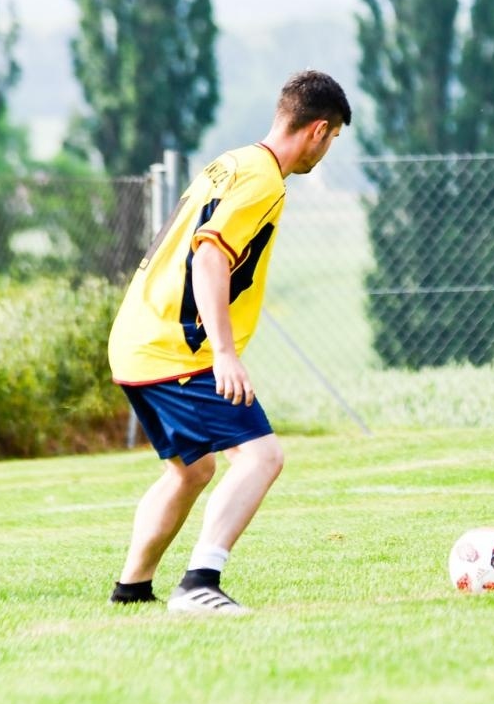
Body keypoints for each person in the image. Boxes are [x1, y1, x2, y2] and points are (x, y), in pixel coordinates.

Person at [106, 70, 352, 614]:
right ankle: (199, 584)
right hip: (177, 347)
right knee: (262, 456)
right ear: (317, 130)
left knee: (192, 469)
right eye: (333, 138)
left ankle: (131, 588)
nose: (328, 149)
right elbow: (211, 255)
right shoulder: (265, 181)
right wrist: (223, 352)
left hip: (135, 338)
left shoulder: (233, 161)